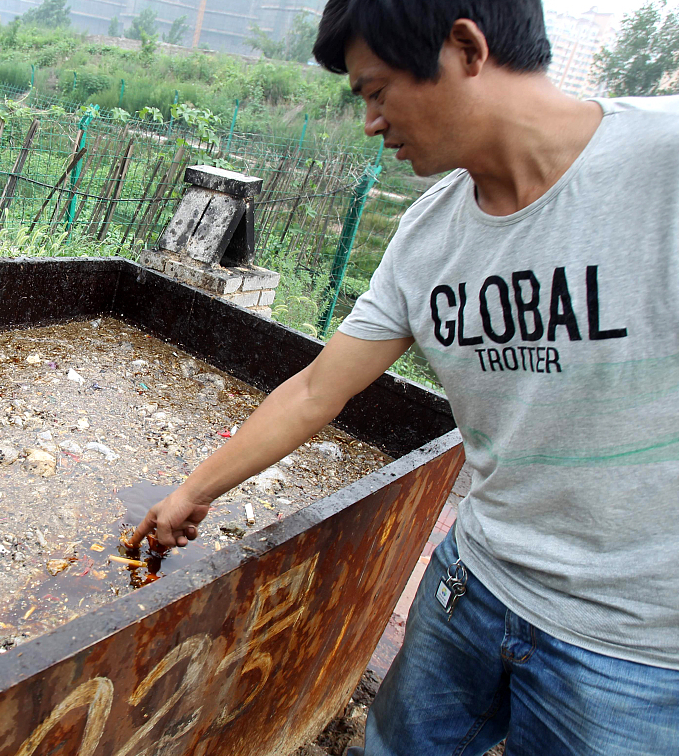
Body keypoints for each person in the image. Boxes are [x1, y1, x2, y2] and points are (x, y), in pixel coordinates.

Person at [130, 0, 679, 753]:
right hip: (474, 585)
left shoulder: (662, 164)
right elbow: (318, 390)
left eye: (376, 91)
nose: (371, 122)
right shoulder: (429, 235)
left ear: (465, 48)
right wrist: (193, 493)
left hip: (636, 651)